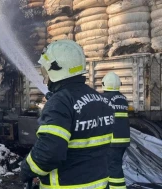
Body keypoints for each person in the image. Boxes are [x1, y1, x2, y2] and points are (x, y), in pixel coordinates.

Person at [20, 39, 115, 189]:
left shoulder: (60, 102)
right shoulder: (101, 101)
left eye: (46, 72)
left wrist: (26, 169)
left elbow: (49, 152)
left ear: (57, 69)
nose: (45, 80)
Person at [102, 72, 130, 189]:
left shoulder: (104, 99)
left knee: (113, 167)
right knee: (114, 165)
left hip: (112, 140)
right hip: (123, 139)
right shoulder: (123, 99)